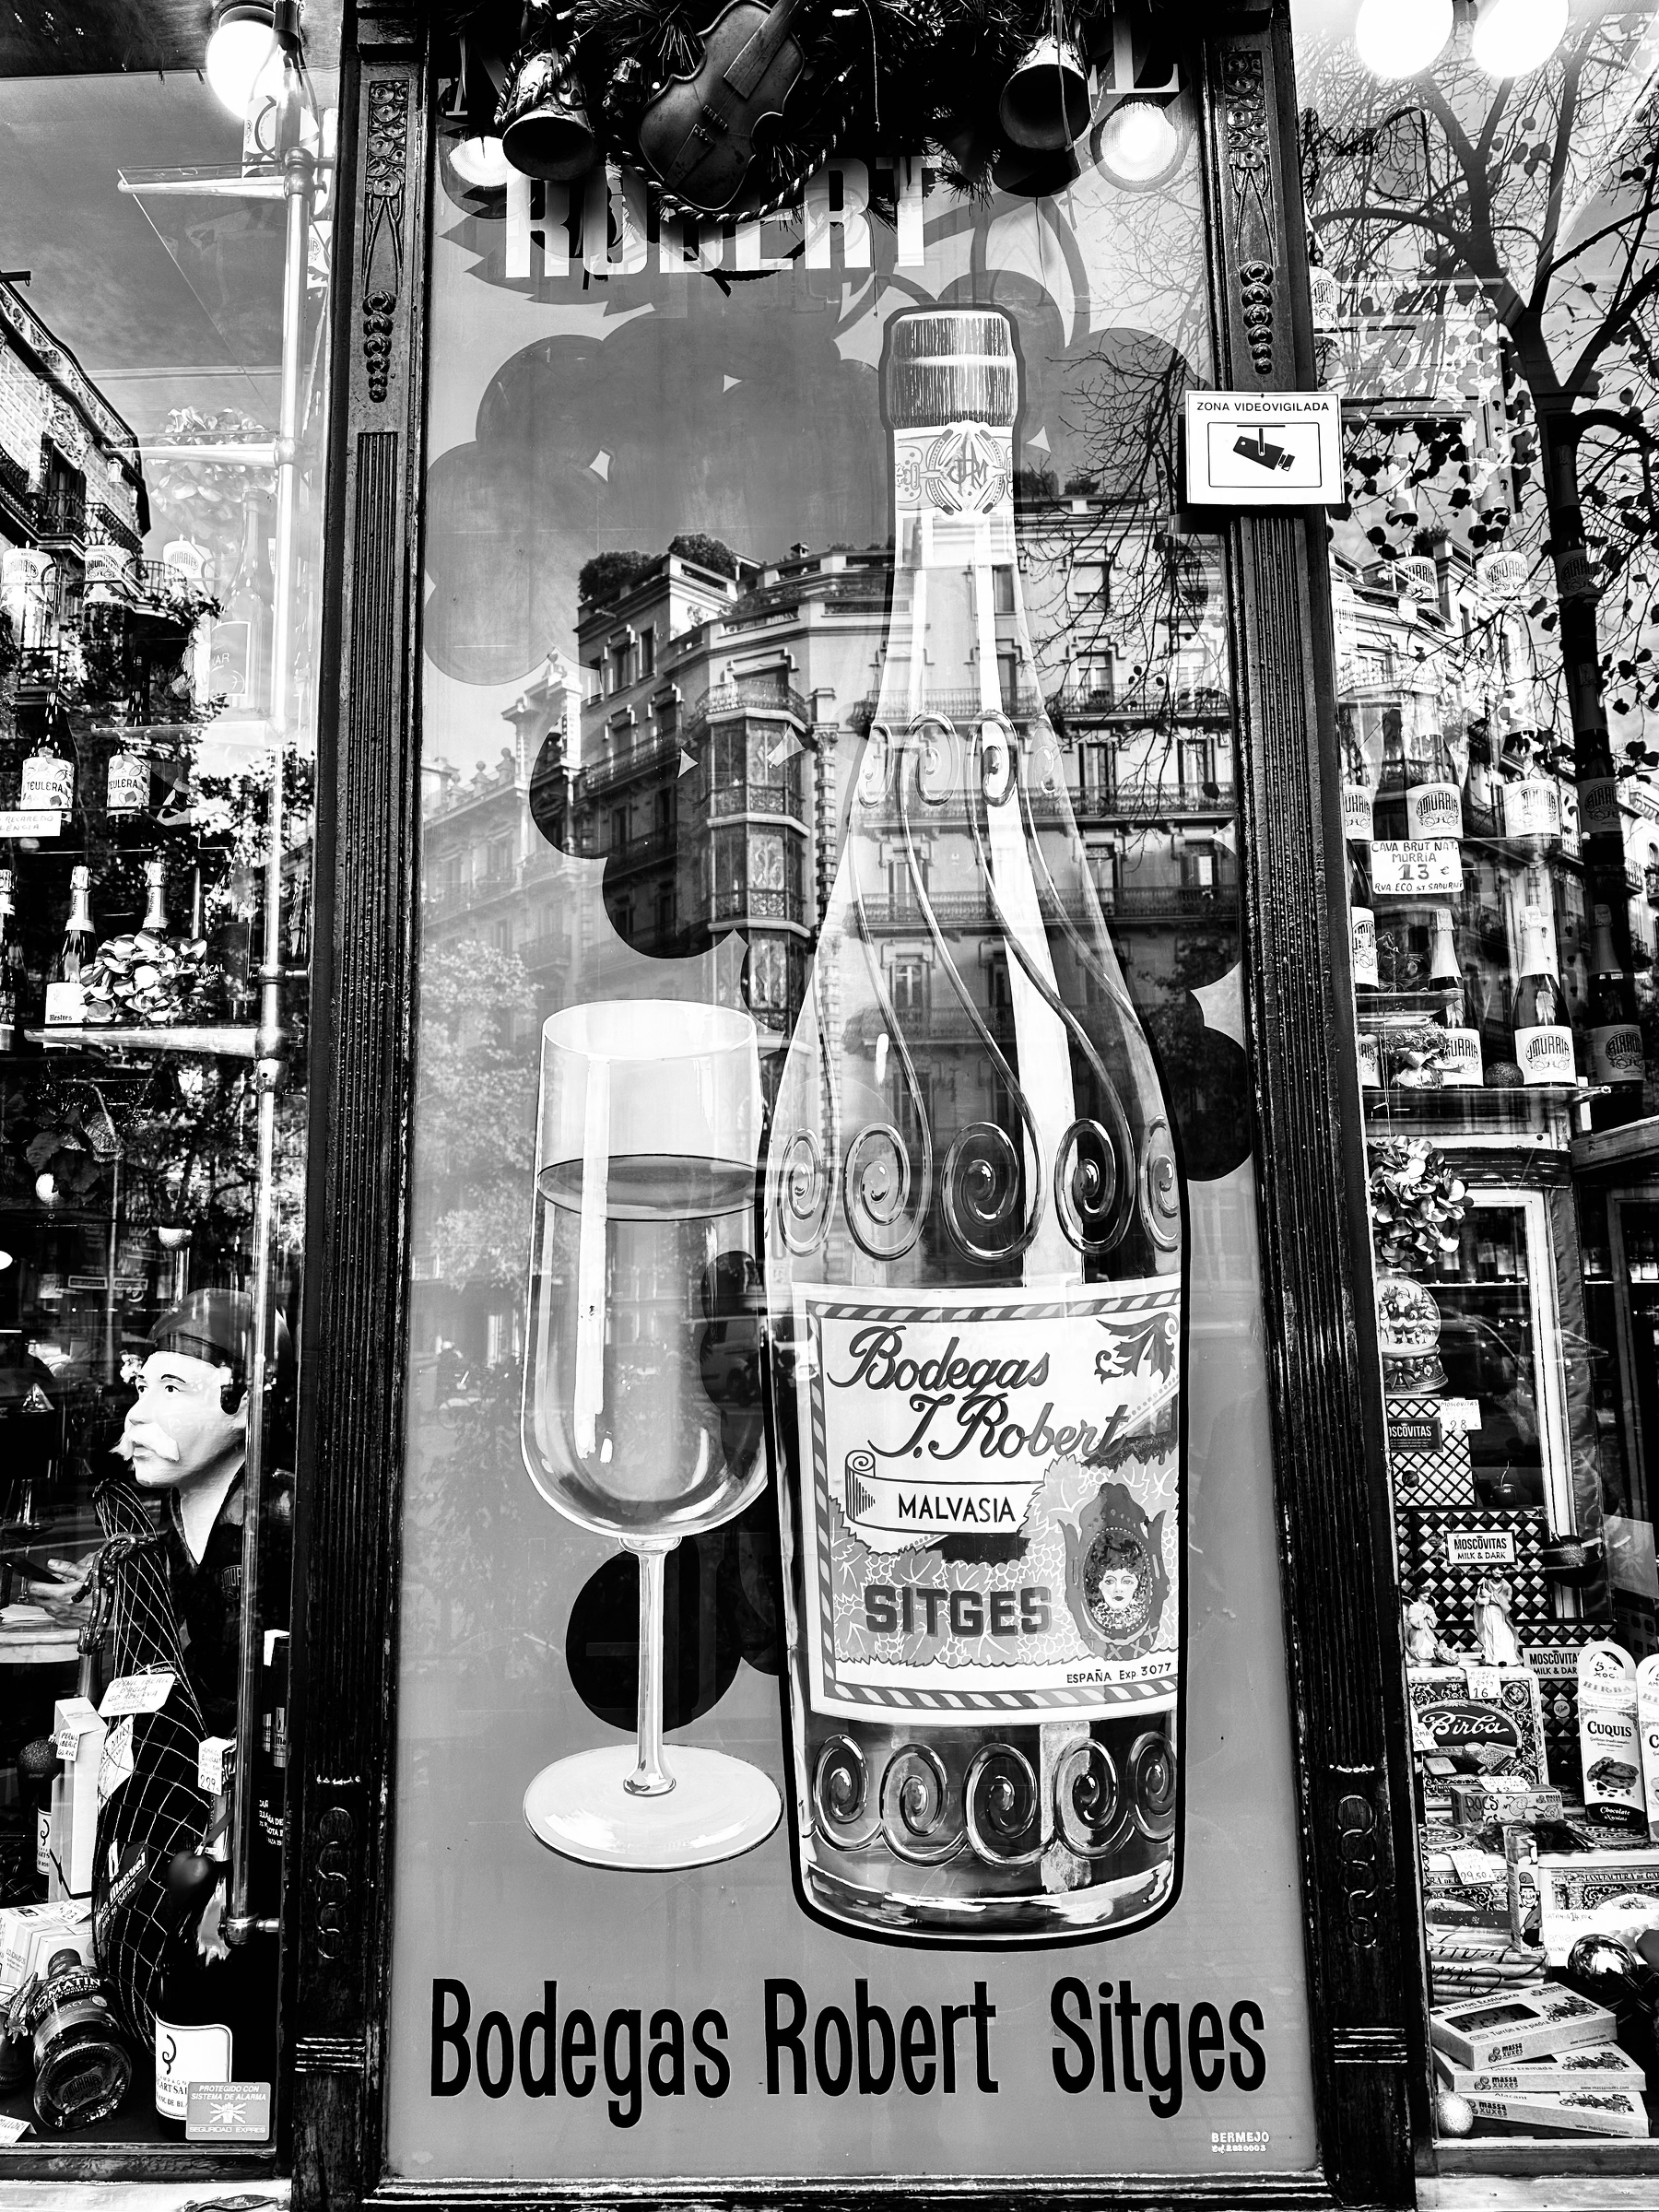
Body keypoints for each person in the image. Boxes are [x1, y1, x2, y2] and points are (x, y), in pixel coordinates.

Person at [115, 1289, 293, 1736]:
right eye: (143, 1388)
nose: (137, 1414)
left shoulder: (280, 1517)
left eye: (172, 1389)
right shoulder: (164, 1508)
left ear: (245, 1405)